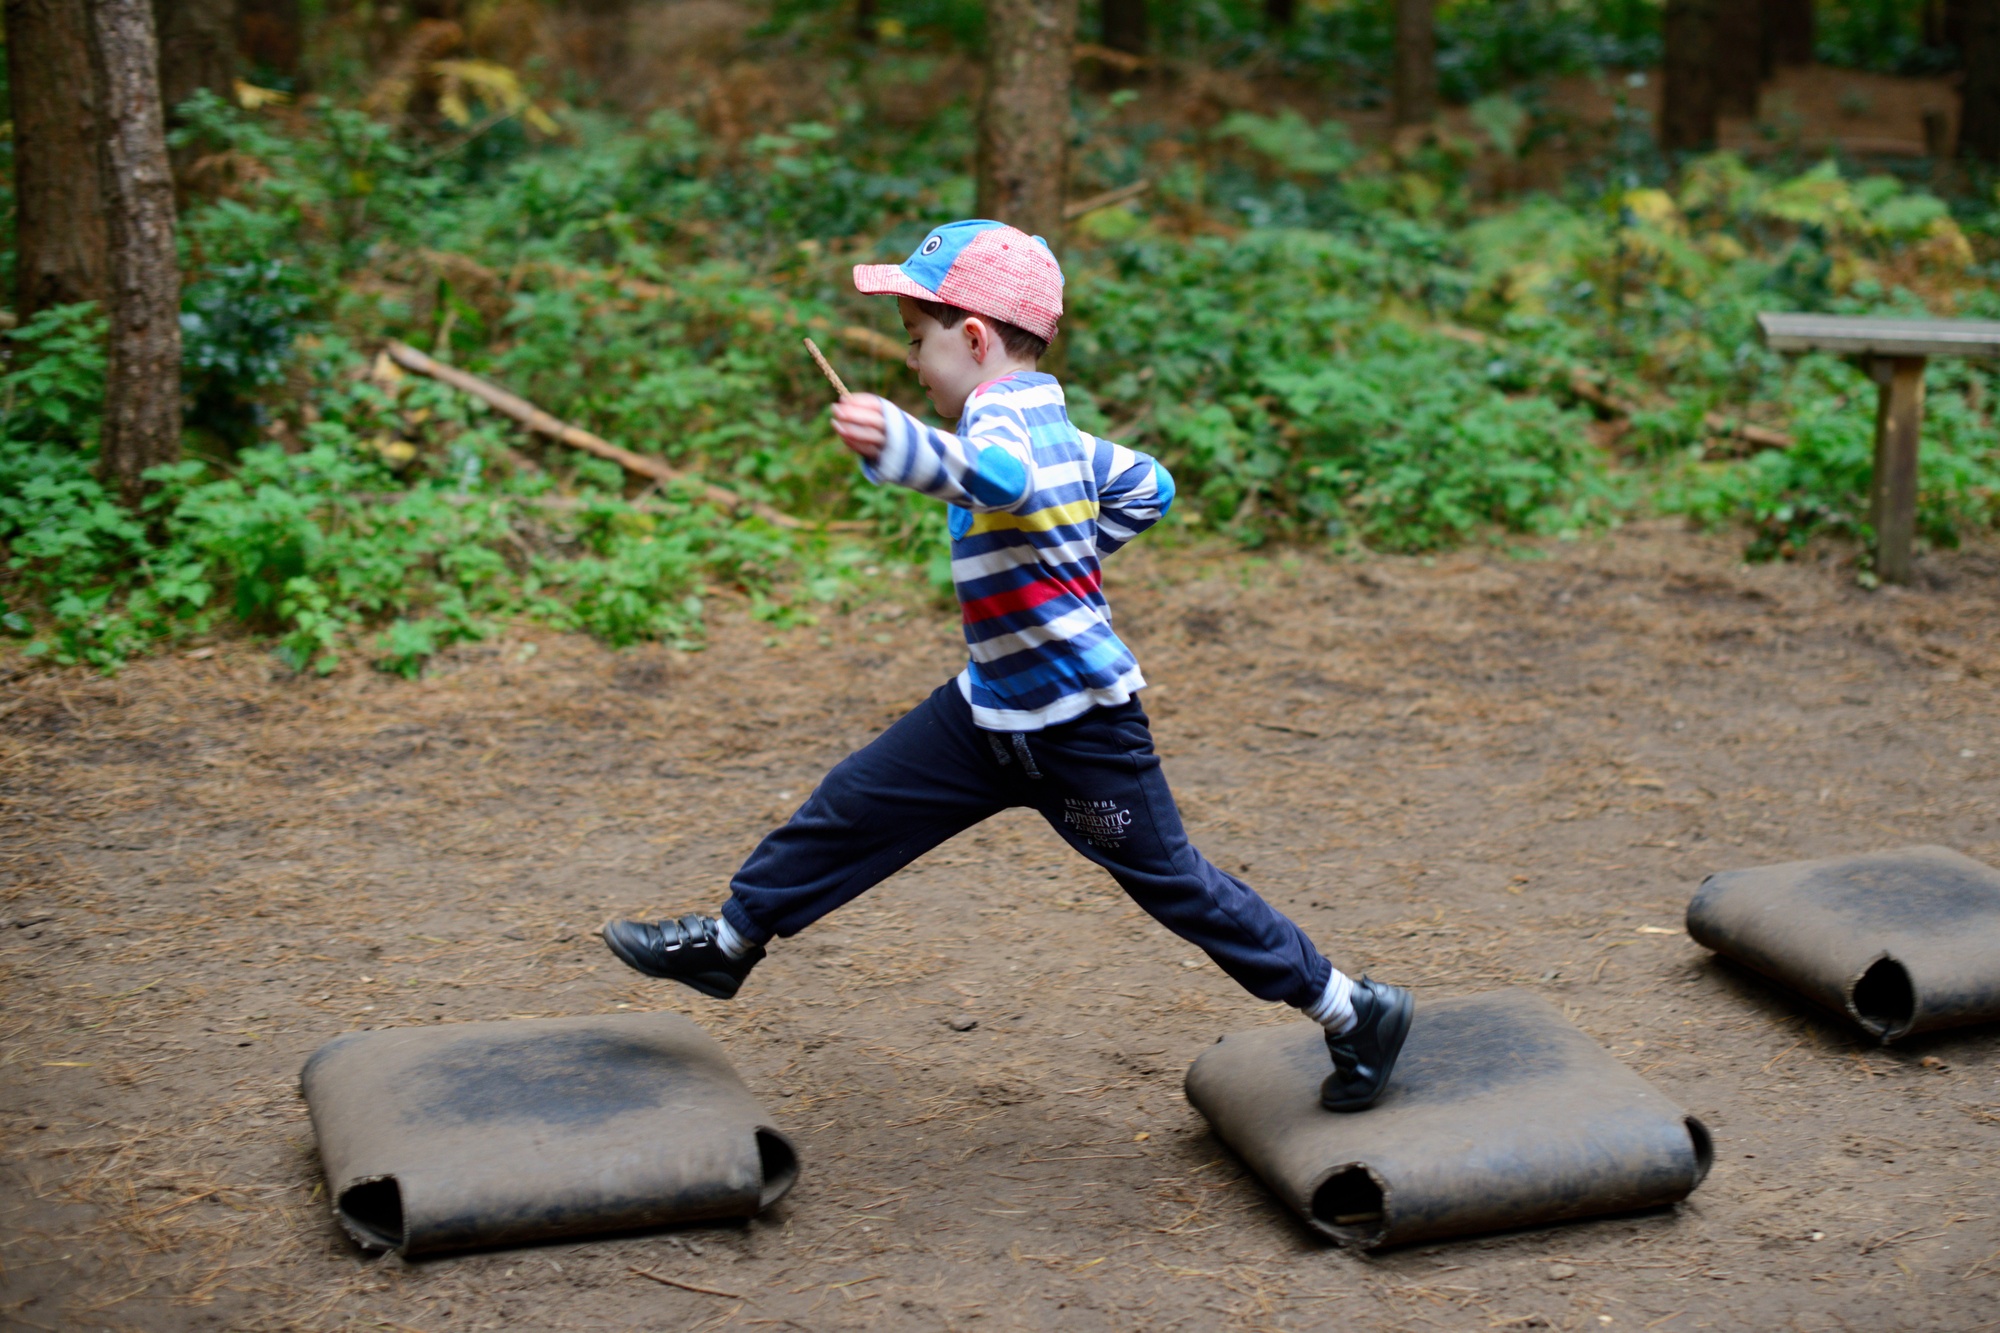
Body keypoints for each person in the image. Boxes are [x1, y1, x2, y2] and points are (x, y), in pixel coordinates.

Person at [600, 220, 1412, 1111]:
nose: (913, 361)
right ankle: (729, 942)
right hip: (987, 715)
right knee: (854, 802)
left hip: (1078, 727)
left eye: (919, 340)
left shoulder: (1002, 419)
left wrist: (901, 444)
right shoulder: (1051, 419)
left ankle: (1352, 1008)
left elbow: (1005, 482)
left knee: (1180, 886)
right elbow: (1151, 485)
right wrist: (1066, 555)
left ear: (977, 338)